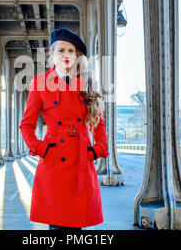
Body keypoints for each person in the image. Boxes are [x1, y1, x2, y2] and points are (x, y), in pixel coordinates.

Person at [19, 28, 109, 230]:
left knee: (76, 225)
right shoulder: (40, 83)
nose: (66, 55)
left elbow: (99, 126)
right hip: (54, 163)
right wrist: (42, 149)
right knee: (57, 225)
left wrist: (96, 150)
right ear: (52, 54)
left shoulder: (87, 84)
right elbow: (26, 125)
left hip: (80, 160)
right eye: (61, 50)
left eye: (71, 51)